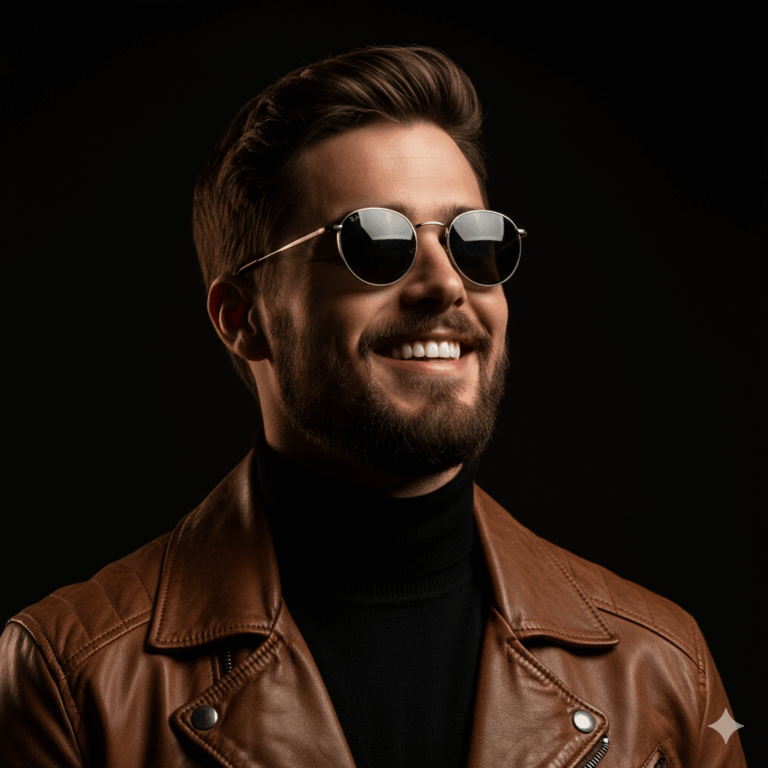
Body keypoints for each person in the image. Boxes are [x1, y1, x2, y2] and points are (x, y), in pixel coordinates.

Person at [0, 45, 746, 768]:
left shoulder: (665, 668)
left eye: (473, 241)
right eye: (375, 241)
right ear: (242, 317)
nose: (445, 284)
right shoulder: (69, 677)